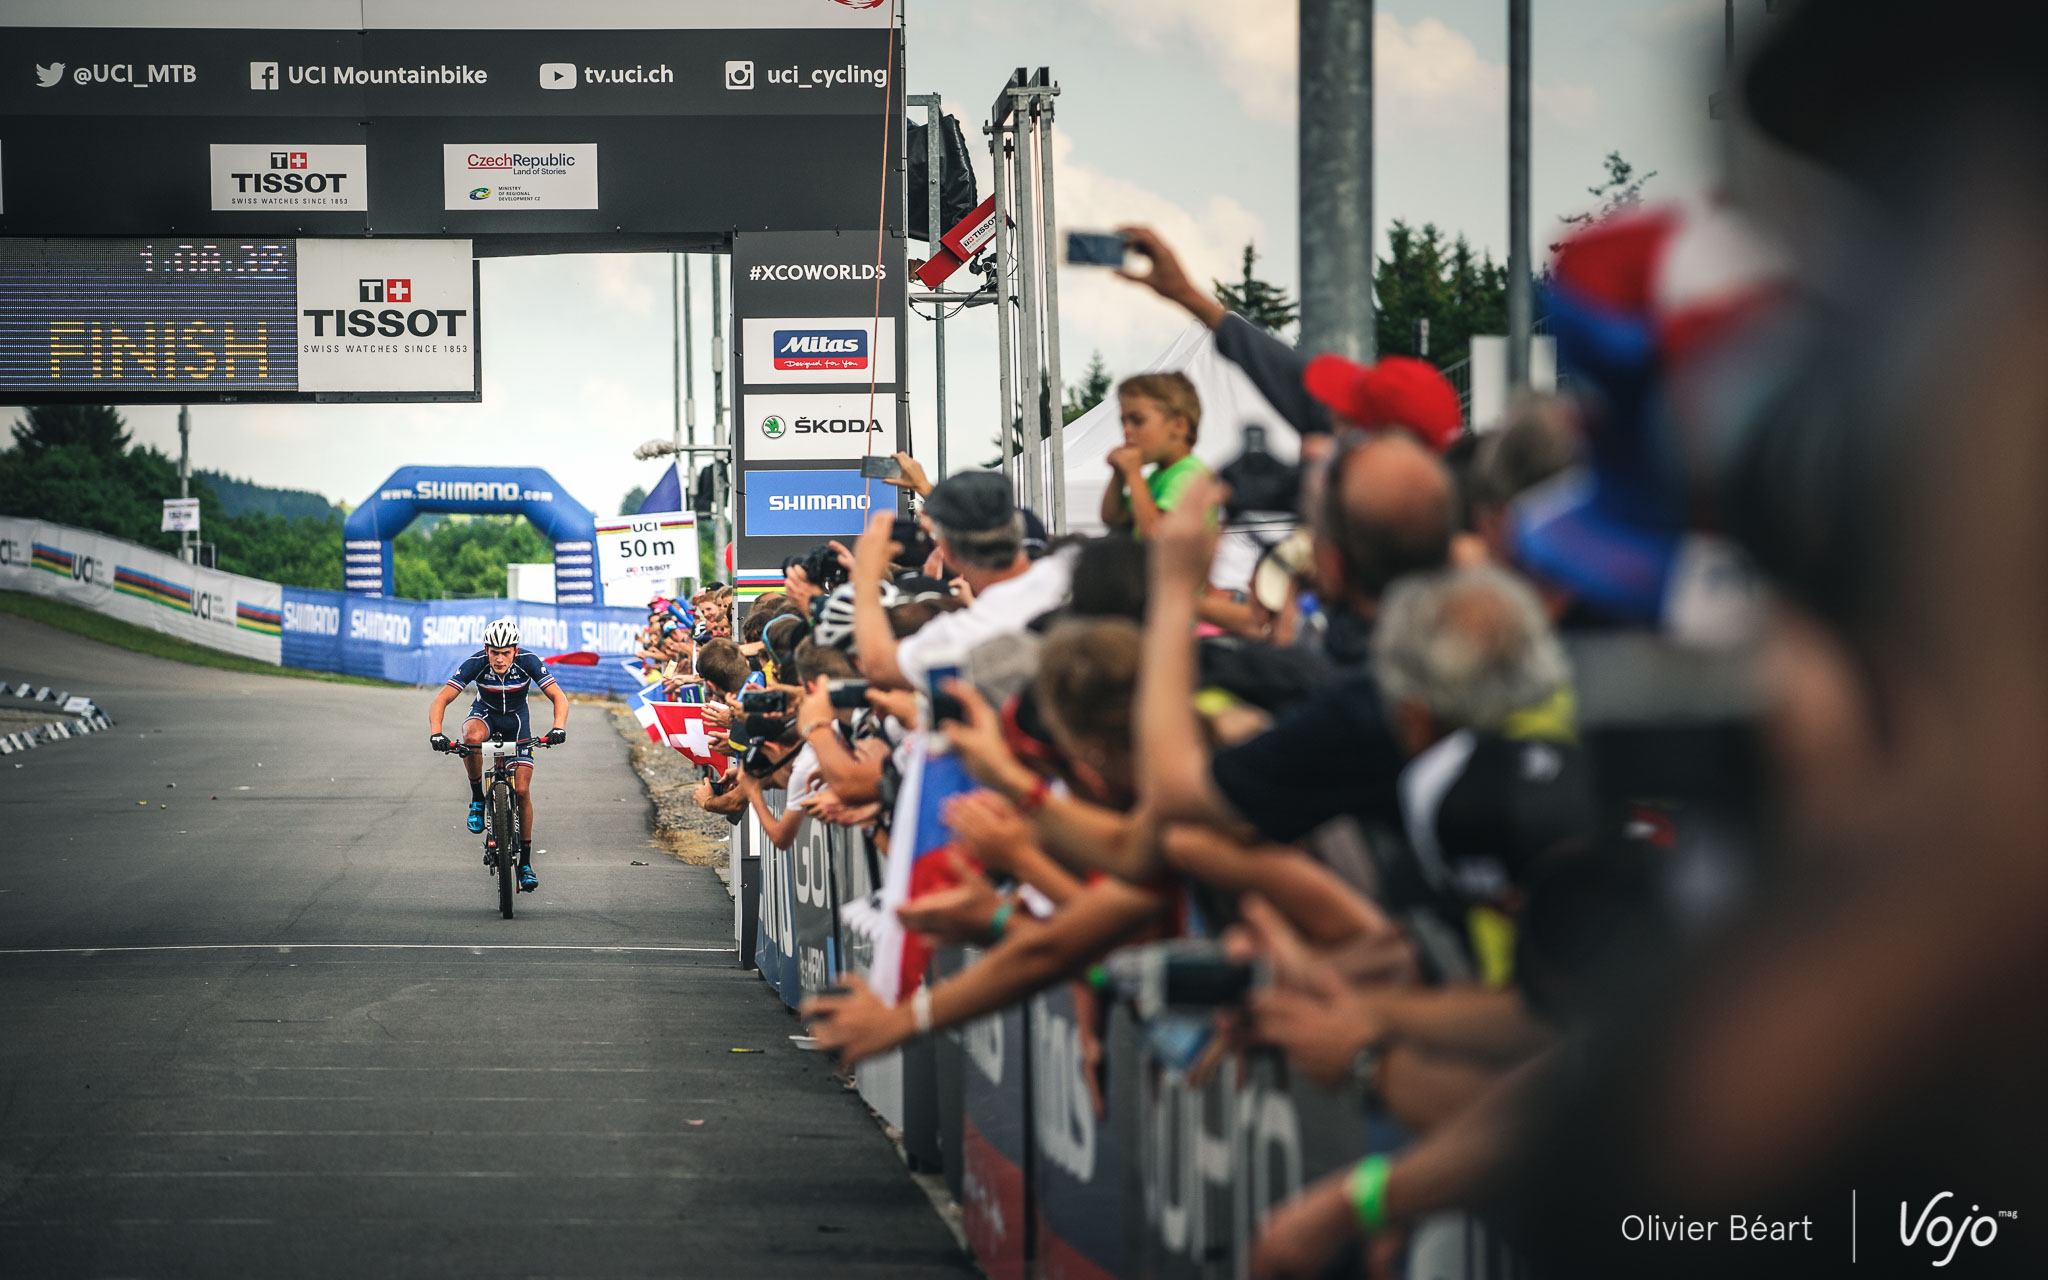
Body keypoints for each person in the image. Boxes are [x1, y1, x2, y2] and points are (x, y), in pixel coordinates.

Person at [849, 470, 1076, 693]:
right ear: (1018, 529)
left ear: (946, 553)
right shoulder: (1070, 566)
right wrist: (928, 492)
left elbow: (879, 667)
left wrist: (866, 574)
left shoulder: (962, 633)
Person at [426, 617, 568, 893]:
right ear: (486, 650)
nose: (499, 659)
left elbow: (558, 697)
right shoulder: (476, 663)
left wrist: (558, 727)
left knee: (523, 791)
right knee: (470, 739)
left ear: (515, 650)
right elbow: (441, 699)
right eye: (494, 653)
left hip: (517, 722)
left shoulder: (528, 661)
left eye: (505, 653)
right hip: (486, 716)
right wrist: (436, 733)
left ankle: (525, 864)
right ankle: (478, 799)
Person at [1100, 373, 1210, 539]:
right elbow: (1113, 518)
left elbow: (1157, 535)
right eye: (1124, 422)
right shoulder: (1157, 477)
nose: (1126, 431)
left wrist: (1133, 474)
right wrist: (1119, 474)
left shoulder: (1190, 475)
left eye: (1137, 421)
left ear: (1179, 425)